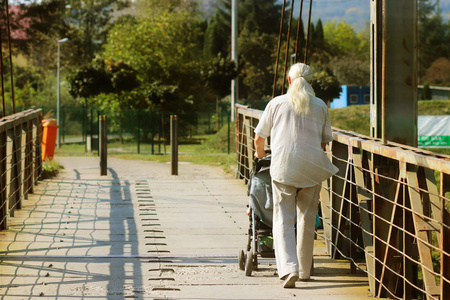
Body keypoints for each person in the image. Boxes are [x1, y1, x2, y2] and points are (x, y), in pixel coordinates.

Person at [253, 63, 338, 288]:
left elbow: (259, 138)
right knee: (307, 218)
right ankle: (305, 270)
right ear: (311, 83)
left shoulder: (276, 103)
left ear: (289, 81)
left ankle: (289, 270)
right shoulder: (320, 105)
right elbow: (323, 141)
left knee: (283, 219)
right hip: (312, 168)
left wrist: (260, 156)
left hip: (283, 168)